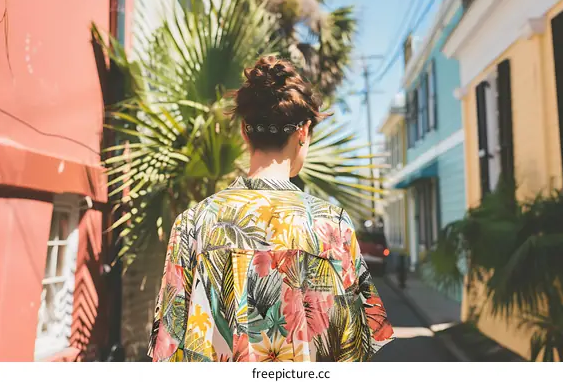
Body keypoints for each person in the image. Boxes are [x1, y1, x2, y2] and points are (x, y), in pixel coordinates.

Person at [148, 56, 395, 362]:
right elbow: (353, 350)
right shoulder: (332, 226)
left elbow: (168, 348)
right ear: (303, 131)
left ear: (243, 130)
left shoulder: (192, 224)